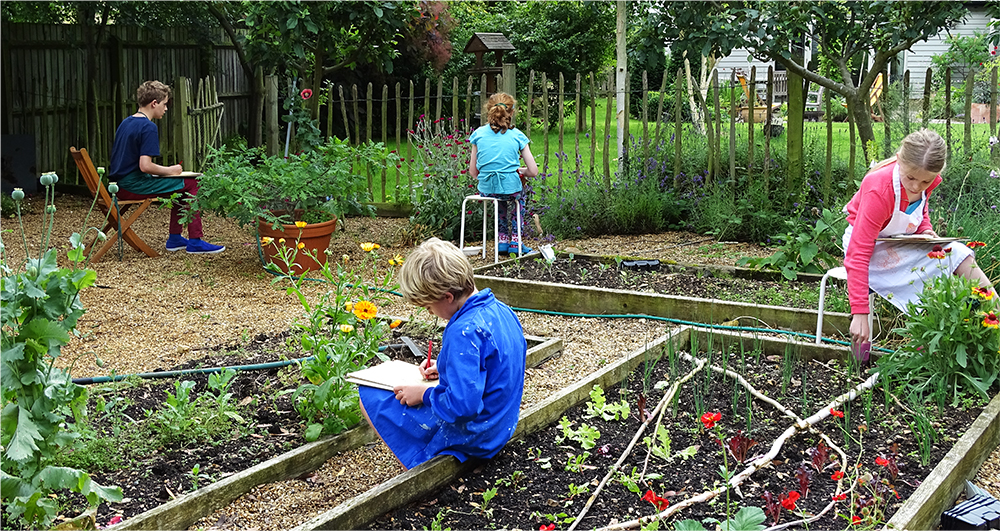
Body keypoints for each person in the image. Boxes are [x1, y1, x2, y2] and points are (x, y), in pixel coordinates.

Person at [358, 237, 527, 469]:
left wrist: (423, 394)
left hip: (475, 436)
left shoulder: (462, 331)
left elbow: (463, 407)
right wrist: (446, 365)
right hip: (500, 426)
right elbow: (496, 362)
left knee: (370, 395)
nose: (430, 313)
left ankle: (418, 470)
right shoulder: (501, 310)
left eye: (428, 307)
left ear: (447, 297)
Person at [843, 128, 994, 346]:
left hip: (899, 240)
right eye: (911, 178)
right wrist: (859, 312)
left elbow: (920, 210)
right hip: (867, 248)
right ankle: (926, 346)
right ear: (899, 160)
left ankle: (994, 314)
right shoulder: (879, 189)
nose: (916, 186)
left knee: (958, 253)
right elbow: (858, 254)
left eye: (925, 182)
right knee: (931, 280)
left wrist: (924, 230)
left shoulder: (928, 181)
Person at [108, 80, 225, 254]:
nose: (166, 108)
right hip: (134, 185)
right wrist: (170, 170)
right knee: (193, 183)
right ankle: (195, 241)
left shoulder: (126, 122)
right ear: (154, 103)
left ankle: (176, 238)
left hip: (119, 186)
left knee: (180, 186)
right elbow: (145, 166)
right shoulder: (148, 127)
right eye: (165, 103)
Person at [468, 92, 539, 254]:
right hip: (510, 188)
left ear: (488, 110)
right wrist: (520, 171)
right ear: (511, 112)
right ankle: (516, 241)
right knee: (517, 199)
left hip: (487, 189)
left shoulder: (478, 134)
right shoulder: (517, 135)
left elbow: (473, 171)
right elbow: (533, 171)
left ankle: (501, 241)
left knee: (498, 198)